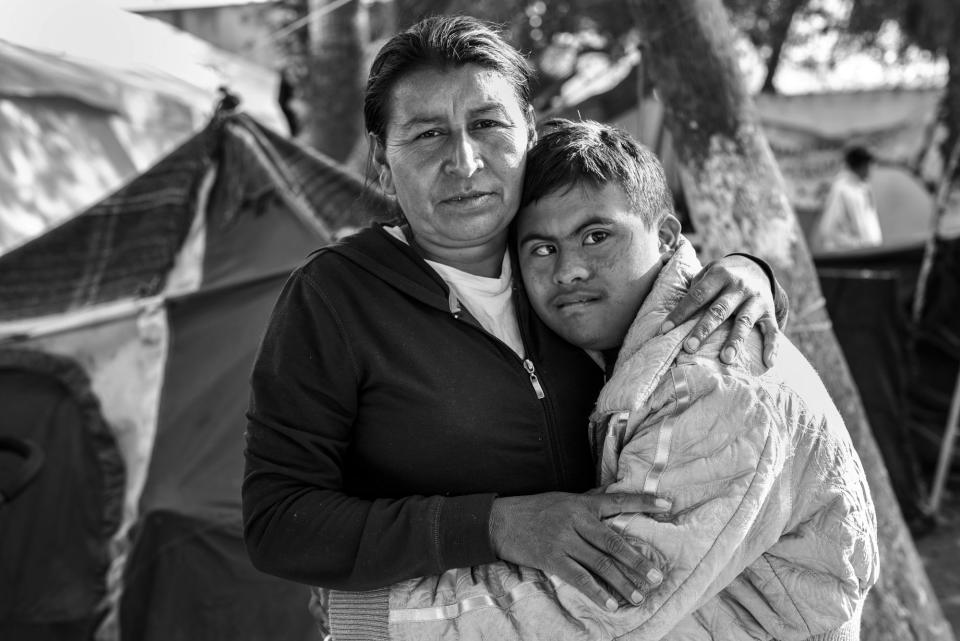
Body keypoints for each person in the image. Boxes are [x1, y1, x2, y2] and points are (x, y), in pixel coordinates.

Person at [242, 16, 788, 640]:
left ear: (529, 129)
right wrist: (495, 525)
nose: (464, 160)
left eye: (488, 124)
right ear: (381, 157)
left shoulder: (571, 270)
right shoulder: (335, 298)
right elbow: (279, 522)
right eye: (426, 134)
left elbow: (668, 277)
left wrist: (752, 272)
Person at [377, 120, 879, 641]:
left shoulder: (713, 383)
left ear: (664, 237)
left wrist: (376, 617)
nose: (569, 270)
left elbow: (610, 598)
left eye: (596, 237)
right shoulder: (611, 345)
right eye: (542, 249)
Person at [814, 145, 882, 251]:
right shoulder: (843, 189)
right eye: (870, 164)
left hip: (868, 255)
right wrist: (857, 246)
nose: (872, 168)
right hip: (852, 257)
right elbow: (829, 230)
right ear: (862, 165)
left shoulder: (862, 189)